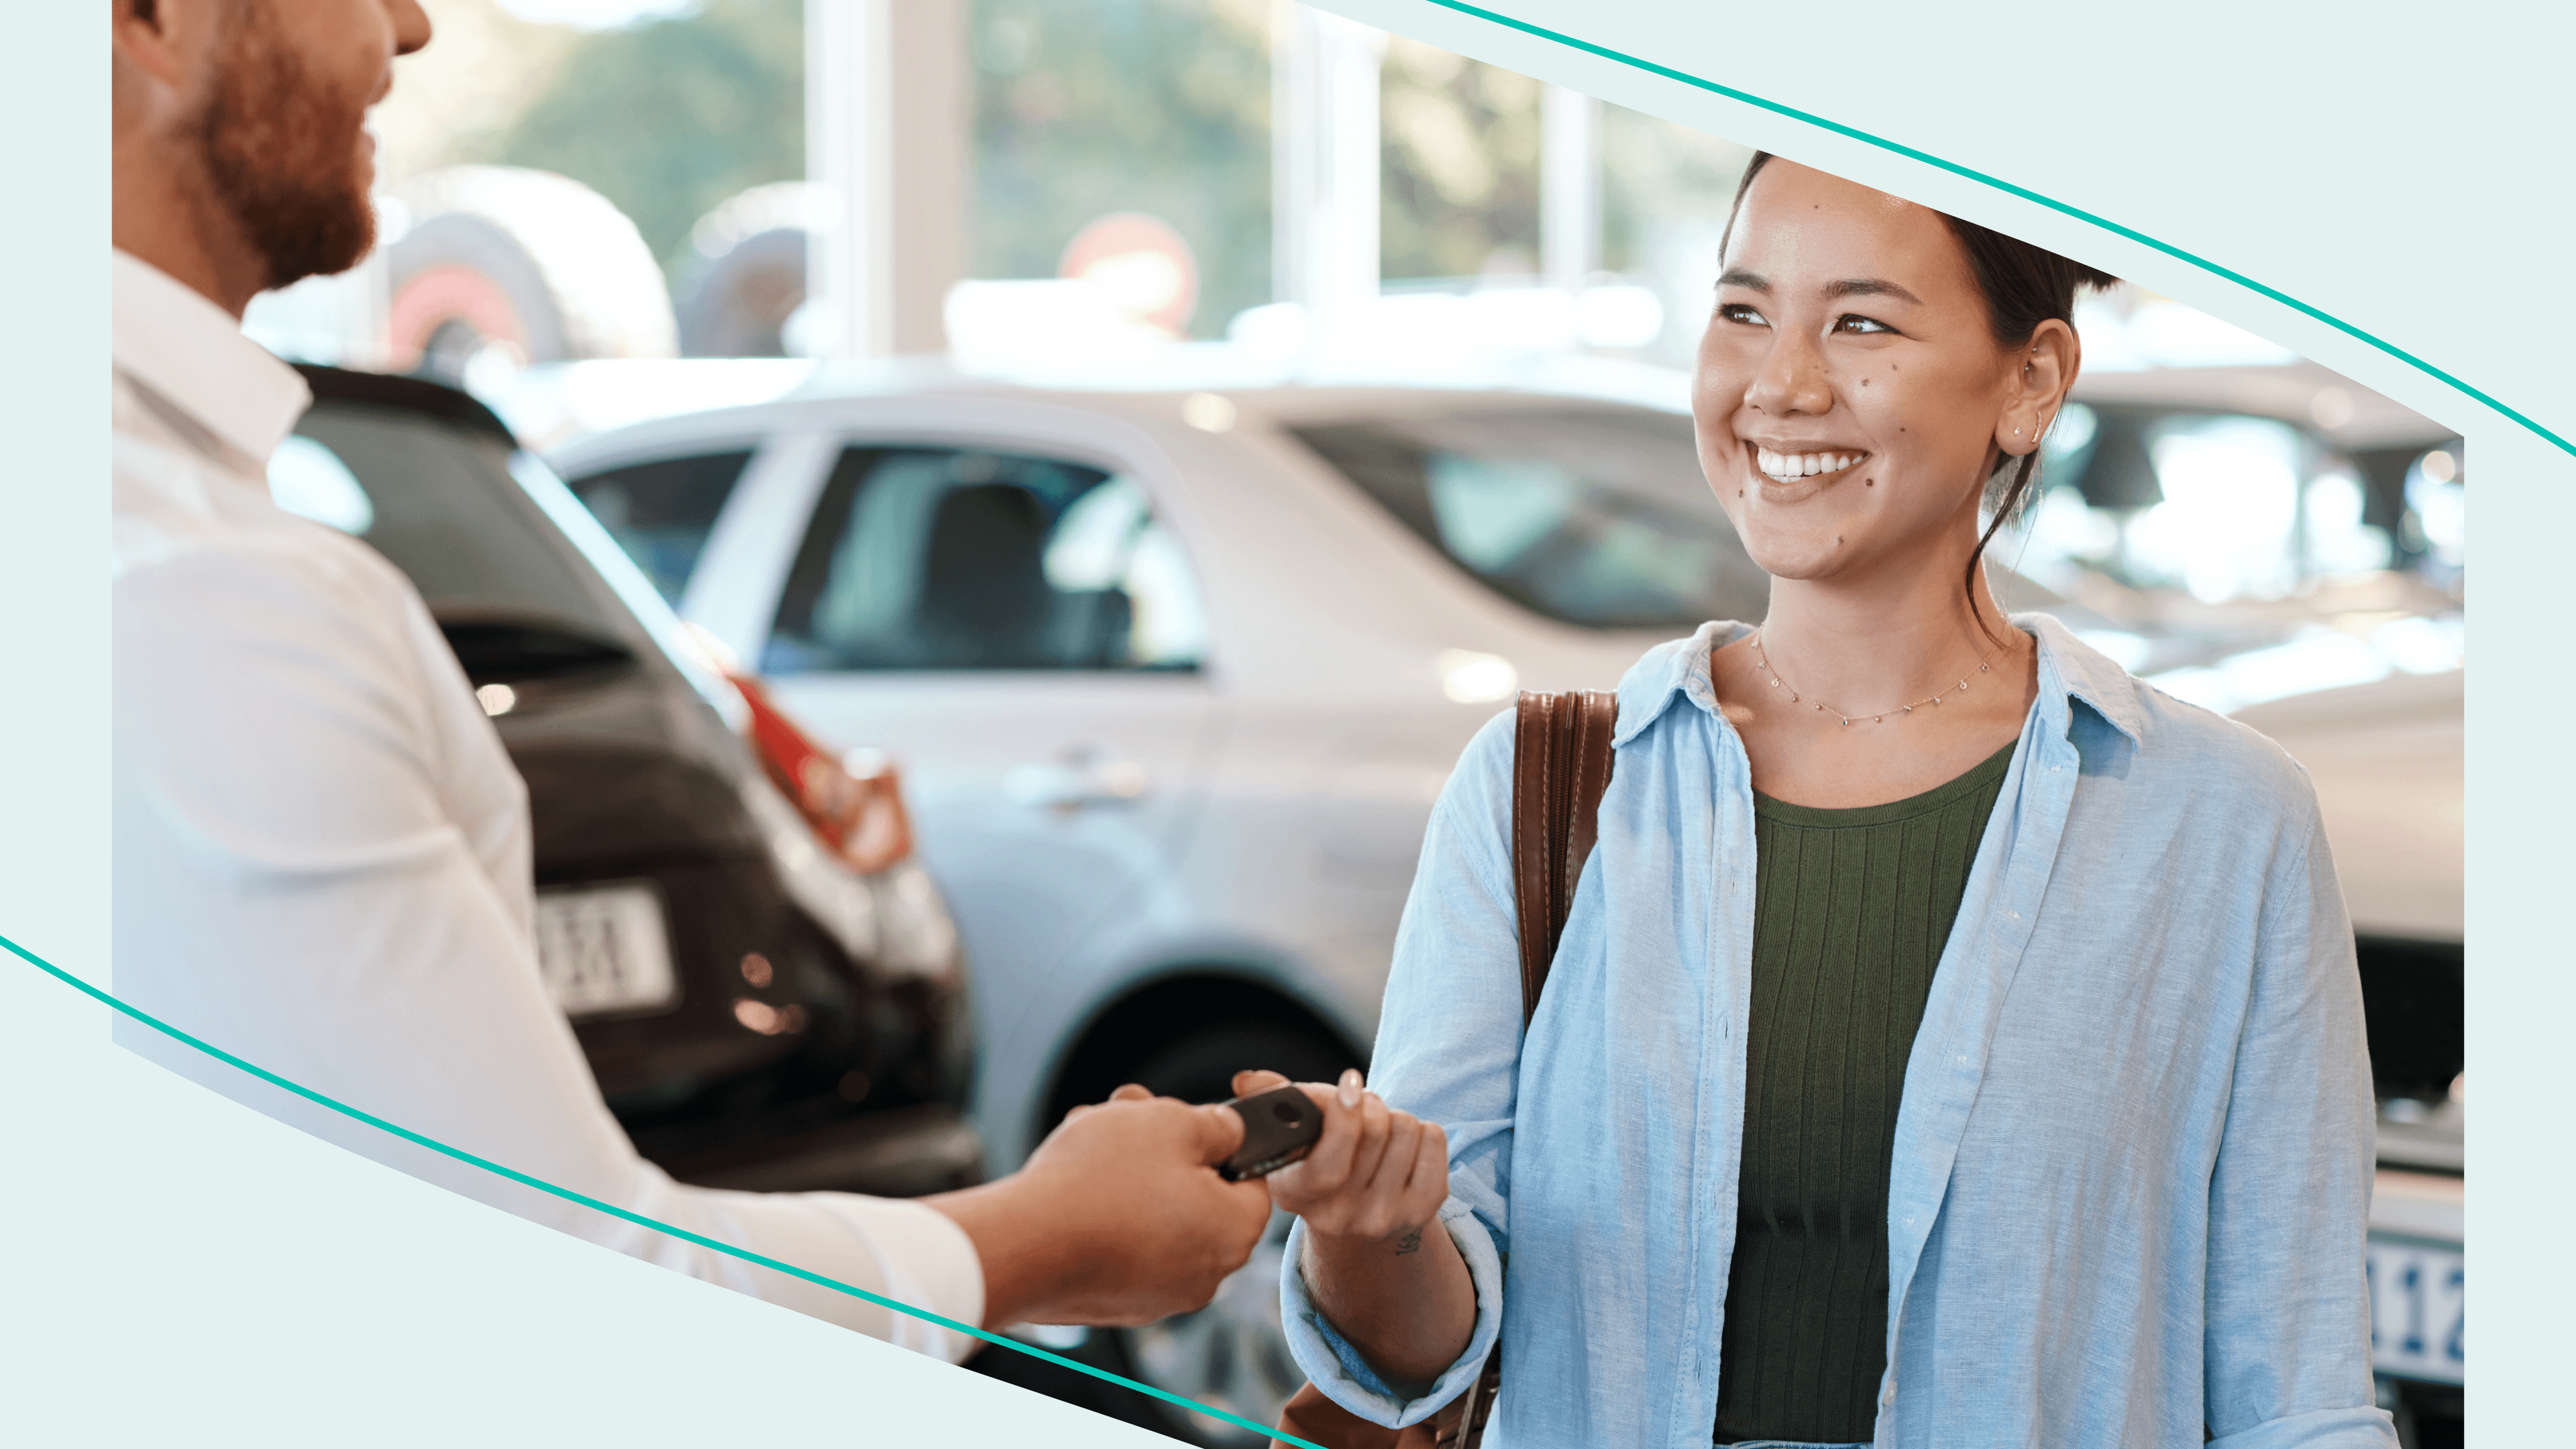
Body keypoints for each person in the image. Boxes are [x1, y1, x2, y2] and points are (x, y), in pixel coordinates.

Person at [108, 0, 1271, 1365]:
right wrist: (1039, 1241)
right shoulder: (197, 581)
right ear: (153, 19)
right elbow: (563, 1302)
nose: (412, 27)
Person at [1249, 154, 2396, 1446]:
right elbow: (1424, 1359)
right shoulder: (1545, 793)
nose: (1782, 385)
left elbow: (2294, 1398)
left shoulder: (2222, 825)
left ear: (2033, 379)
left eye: (1861, 322)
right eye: (1743, 311)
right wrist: (1373, 1224)